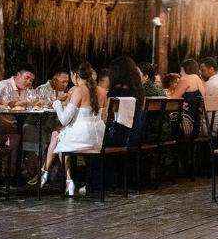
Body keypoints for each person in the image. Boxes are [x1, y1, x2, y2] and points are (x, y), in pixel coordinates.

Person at [33, 62, 105, 196]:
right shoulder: (101, 91)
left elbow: (64, 119)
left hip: (84, 137)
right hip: (100, 138)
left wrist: (57, 104)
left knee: (59, 139)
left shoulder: (79, 90)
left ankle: (64, 179)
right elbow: (103, 117)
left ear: (74, 75)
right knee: (58, 134)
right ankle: (54, 175)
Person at [102, 55, 146, 148]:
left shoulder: (114, 93)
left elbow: (105, 118)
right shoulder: (138, 92)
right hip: (137, 136)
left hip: (118, 140)